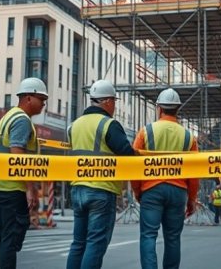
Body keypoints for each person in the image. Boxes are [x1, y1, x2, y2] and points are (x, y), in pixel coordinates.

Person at [66, 79, 135, 269]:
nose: (114, 106)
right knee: (95, 243)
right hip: (101, 190)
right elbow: (127, 154)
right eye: (113, 101)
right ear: (106, 101)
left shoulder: (74, 125)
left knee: (78, 243)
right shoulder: (109, 124)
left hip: (78, 189)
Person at [0, 77, 48, 269]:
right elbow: (17, 154)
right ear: (28, 98)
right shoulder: (21, 120)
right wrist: (31, 188)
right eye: (41, 98)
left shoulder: (9, 115)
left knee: (0, 235)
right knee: (11, 236)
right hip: (10, 187)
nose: (43, 103)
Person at [130, 88, 199, 269]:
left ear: (159, 108)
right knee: (173, 238)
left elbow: (135, 165)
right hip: (178, 191)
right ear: (178, 109)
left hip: (152, 189)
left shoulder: (146, 132)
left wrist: (138, 190)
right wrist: (191, 199)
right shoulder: (188, 137)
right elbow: (194, 172)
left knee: (148, 236)